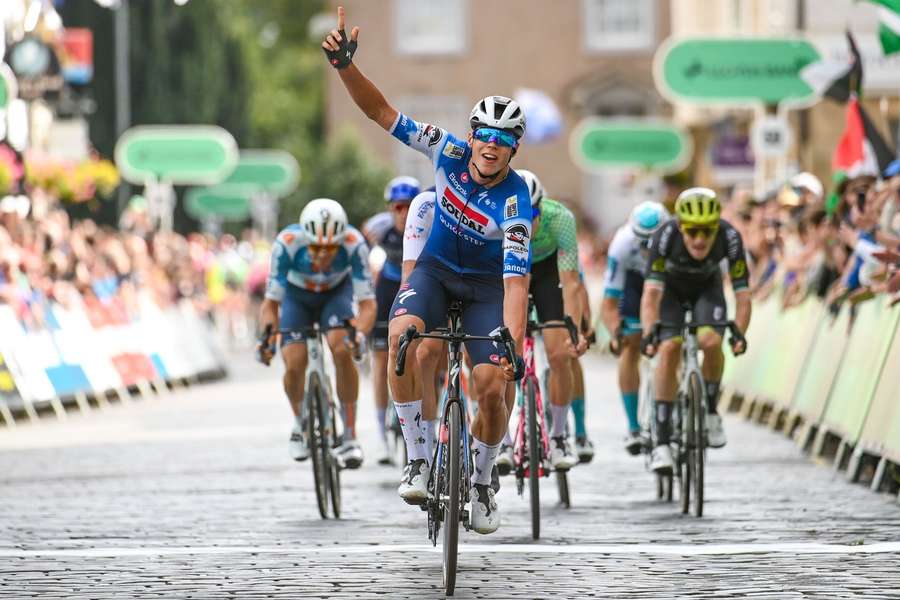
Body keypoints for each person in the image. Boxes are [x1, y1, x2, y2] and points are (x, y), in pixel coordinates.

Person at [322, 6, 532, 534]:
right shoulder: (447, 150)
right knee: (401, 342)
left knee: (489, 385)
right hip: (435, 272)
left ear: (514, 148)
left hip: (486, 287)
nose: (491, 144)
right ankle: (418, 455)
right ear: (472, 133)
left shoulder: (515, 204)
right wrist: (346, 67)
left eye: (503, 140)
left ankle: (482, 482)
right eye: (484, 133)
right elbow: (382, 113)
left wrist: (512, 343)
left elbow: (515, 281)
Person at [257, 198, 376, 469]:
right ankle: (300, 422)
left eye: (330, 249)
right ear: (305, 239)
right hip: (296, 297)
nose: (323, 255)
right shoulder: (286, 243)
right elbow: (270, 304)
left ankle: (349, 435)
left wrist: (358, 333)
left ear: (341, 240)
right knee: (294, 360)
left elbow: (368, 306)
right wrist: (267, 338)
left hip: (336, 294)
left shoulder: (354, 244)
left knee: (341, 347)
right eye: (316, 248)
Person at [640, 188, 751, 473]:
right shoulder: (664, 237)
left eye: (706, 232)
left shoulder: (730, 237)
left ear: (716, 227)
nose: (700, 240)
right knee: (669, 348)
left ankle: (711, 412)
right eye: (692, 232)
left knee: (712, 341)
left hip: (707, 289)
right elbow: (651, 296)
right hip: (671, 293)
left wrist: (739, 332)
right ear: (680, 227)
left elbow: (742, 295)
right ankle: (662, 443)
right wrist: (650, 332)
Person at [495, 170, 588, 474]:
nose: (529, 221)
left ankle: (560, 437)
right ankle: (504, 441)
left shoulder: (560, 218)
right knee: (500, 357)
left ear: (542, 208)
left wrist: (572, 328)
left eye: (533, 213)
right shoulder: (496, 219)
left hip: (547, 271)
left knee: (560, 353)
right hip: (507, 269)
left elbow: (571, 281)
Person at [600, 201, 669, 455]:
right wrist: (617, 332)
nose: (648, 249)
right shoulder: (622, 245)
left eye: (653, 244)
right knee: (629, 345)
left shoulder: (675, 239)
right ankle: (633, 427)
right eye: (643, 243)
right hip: (634, 283)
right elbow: (608, 303)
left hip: (666, 281)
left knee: (674, 340)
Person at [363, 176, 421, 465]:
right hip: (387, 290)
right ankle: (382, 438)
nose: (403, 214)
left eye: (409, 207)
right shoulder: (378, 228)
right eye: (398, 207)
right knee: (380, 360)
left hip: (415, 289)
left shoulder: (427, 223)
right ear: (390, 209)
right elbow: (361, 256)